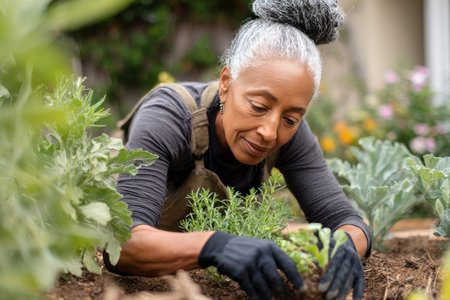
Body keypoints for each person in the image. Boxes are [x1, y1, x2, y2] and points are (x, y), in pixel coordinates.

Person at [106, 0, 372, 299]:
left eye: (290, 118)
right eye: (258, 106)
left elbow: (345, 219)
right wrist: (216, 245)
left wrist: (347, 243)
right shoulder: (169, 118)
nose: (270, 132)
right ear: (226, 83)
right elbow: (124, 245)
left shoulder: (292, 135)